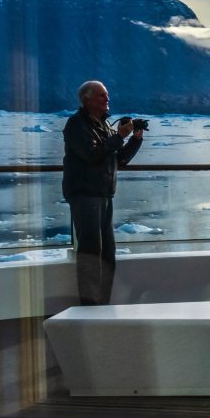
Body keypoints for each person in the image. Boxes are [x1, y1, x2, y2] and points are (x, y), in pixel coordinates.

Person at [62, 81, 144, 305]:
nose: (107, 99)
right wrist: (119, 137)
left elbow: (118, 160)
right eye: (101, 96)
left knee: (108, 256)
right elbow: (91, 154)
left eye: (106, 95)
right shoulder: (76, 124)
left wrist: (135, 140)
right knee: (91, 254)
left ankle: (102, 305)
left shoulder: (105, 127)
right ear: (87, 100)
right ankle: (90, 309)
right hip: (85, 195)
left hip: (104, 196)